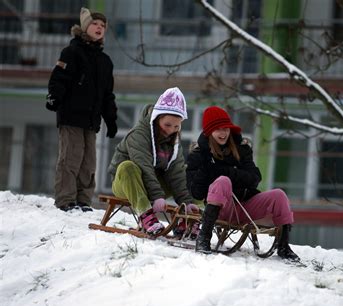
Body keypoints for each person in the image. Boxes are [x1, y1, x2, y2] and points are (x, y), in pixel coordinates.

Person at [186, 106, 300, 260]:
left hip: (246, 205)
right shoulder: (199, 155)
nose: (223, 133)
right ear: (209, 132)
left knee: (279, 195)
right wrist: (208, 169)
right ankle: (203, 239)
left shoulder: (241, 149)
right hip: (221, 209)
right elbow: (196, 193)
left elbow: (254, 179)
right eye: (218, 129)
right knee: (222, 182)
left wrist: (225, 171)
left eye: (225, 128)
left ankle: (284, 246)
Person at [46, 7, 118, 212]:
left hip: (91, 120)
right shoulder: (72, 52)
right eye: (95, 24)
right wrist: (54, 97)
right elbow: (59, 79)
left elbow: (107, 95)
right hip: (71, 115)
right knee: (71, 158)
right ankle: (66, 199)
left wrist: (111, 119)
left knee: (88, 162)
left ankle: (83, 200)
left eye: (103, 26)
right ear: (85, 27)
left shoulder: (105, 62)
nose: (99, 28)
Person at [108, 87, 199, 235]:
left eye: (176, 126)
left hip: (153, 185)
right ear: (157, 118)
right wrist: (157, 196)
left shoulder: (173, 140)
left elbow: (177, 173)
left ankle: (187, 219)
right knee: (127, 167)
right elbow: (143, 167)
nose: (171, 130)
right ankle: (145, 215)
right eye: (167, 125)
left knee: (191, 173)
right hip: (127, 183)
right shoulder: (139, 134)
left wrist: (187, 202)